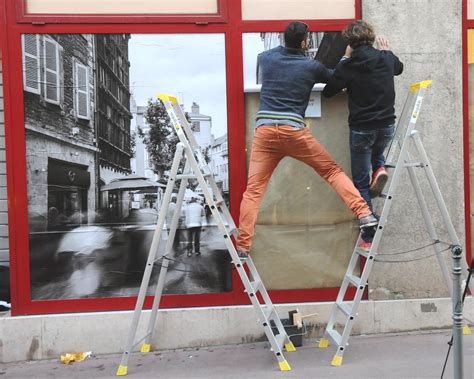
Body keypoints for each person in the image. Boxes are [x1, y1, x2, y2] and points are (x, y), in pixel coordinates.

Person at [235, 21, 378, 260]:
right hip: (293, 130)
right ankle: (364, 214)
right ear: (304, 42)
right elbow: (335, 82)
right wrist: (345, 58)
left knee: (253, 191)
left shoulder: (266, 58)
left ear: (283, 39)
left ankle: (242, 247)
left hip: (265, 130)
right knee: (332, 172)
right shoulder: (311, 66)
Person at [322, 20, 404, 250]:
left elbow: (328, 92)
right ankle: (379, 169)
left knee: (360, 181)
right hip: (387, 125)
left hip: (362, 128)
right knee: (377, 154)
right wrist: (387, 51)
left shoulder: (348, 65)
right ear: (370, 37)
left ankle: (368, 235)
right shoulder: (385, 58)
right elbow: (399, 68)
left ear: (350, 43)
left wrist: (344, 60)